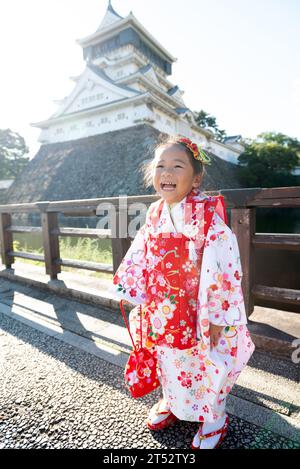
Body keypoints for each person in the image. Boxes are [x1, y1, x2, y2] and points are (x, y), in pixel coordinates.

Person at [112, 136, 255, 449]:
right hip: (164, 307)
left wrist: (218, 315)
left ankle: (214, 417)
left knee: (204, 361)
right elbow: (142, 253)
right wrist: (133, 287)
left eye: (177, 166)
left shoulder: (207, 216)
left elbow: (224, 267)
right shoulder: (154, 213)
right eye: (160, 165)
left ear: (196, 178)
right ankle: (174, 403)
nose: (167, 172)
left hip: (199, 307)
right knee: (169, 357)